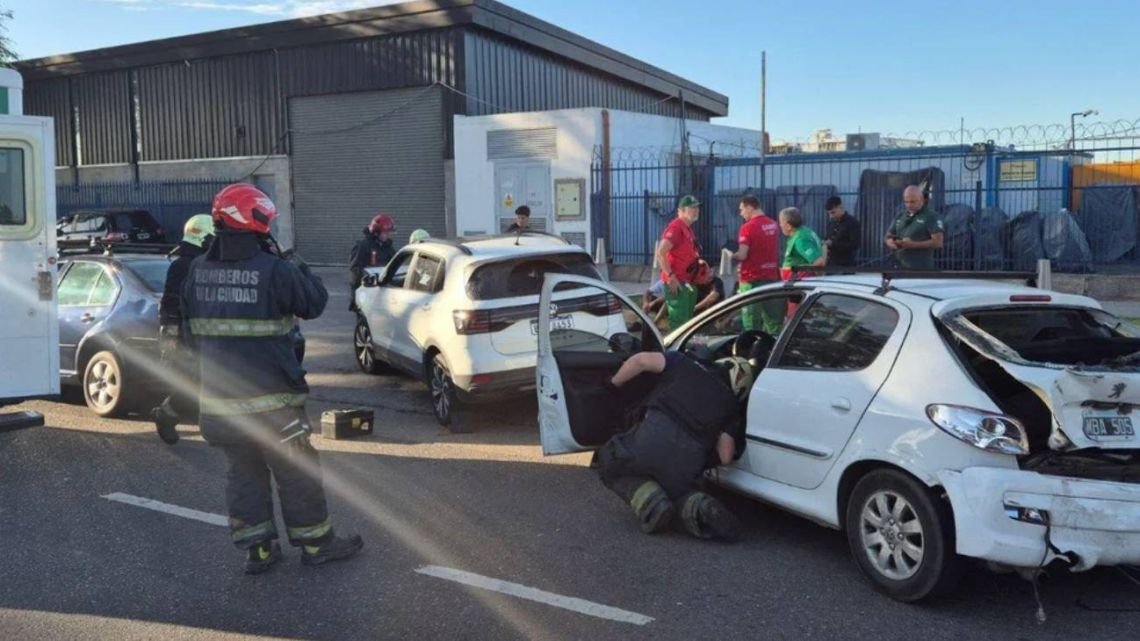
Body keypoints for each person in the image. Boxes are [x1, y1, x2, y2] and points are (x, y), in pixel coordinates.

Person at [182, 183, 363, 574]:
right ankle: (316, 545)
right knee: (296, 472)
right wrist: (293, 262)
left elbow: (187, 333)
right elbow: (314, 303)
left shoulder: (197, 271)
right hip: (273, 403)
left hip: (219, 403)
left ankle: (258, 550)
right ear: (256, 220)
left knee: (243, 474)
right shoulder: (274, 269)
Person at [595, 351, 752, 540]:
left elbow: (641, 361)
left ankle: (651, 501)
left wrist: (613, 383)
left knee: (609, 462)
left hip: (650, 440)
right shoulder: (731, 406)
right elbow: (726, 456)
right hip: (686, 464)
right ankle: (697, 507)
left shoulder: (683, 363)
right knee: (678, 494)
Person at [152, 214, 216, 445]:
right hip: (187, 338)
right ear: (204, 238)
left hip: (208, 335)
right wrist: (173, 339)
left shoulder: (208, 263)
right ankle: (166, 414)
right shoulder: (183, 266)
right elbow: (170, 305)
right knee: (192, 387)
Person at [731, 195, 783, 335]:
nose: (741, 213)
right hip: (771, 277)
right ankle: (774, 348)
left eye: (742, 210)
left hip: (751, 279)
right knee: (773, 320)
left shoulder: (747, 227)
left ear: (750, 207)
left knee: (751, 321)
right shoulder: (773, 224)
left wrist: (731, 255)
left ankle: (752, 351)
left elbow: (743, 255)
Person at [655, 195, 702, 331]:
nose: (696, 210)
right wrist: (671, 276)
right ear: (681, 210)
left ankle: (684, 348)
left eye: (697, 207)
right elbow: (661, 252)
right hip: (678, 281)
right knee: (679, 322)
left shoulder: (687, 229)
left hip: (687, 280)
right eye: (692, 208)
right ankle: (675, 349)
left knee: (686, 322)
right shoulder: (675, 228)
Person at [644, 260, 723, 326]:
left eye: (709, 271)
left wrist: (694, 308)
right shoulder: (694, 282)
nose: (708, 274)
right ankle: (654, 323)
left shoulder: (716, 282)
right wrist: (654, 302)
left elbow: (712, 297)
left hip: (708, 315)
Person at [885, 185, 944, 270]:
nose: (909, 205)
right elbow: (888, 235)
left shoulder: (931, 216)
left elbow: (938, 242)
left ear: (922, 200)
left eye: (913, 202)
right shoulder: (900, 216)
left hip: (921, 269)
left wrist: (913, 245)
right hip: (898, 267)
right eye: (906, 202)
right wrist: (890, 242)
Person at [349, 213, 396, 291]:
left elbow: (394, 265)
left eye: (389, 233)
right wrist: (367, 277)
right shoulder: (363, 246)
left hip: (381, 288)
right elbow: (355, 268)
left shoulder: (388, 248)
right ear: (376, 232)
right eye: (385, 233)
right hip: (364, 289)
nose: (388, 235)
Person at [778, 207, 826, 280]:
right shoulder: (805, 231)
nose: (780, 225)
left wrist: (800, 273)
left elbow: (819, 262)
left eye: (781, 222)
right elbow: (823, 247)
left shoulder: (800, 239)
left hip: (799, 285)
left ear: (788, 226)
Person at [824, 196, 861, 268]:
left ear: (840, 207)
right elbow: (827, 237)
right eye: (829, 213)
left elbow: (855, 245)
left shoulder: (852, 222)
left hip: (846, 265)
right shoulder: (831, 223)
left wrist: (833, 244)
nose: (831, 216)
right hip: (831, 264)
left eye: (833, 212)